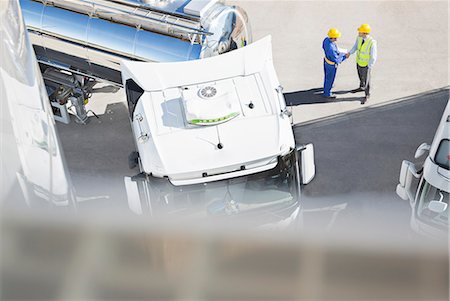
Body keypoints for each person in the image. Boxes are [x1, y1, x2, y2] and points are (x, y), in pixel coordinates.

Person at [346, 23, 377, 104]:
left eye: (360, 31)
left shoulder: (371, 42)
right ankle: (361, 87)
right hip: (359, 62)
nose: (358, 33)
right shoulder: (359, 38)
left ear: (365, 33)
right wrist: (350, 53)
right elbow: (355, 46)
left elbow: (373, 57)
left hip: (366, 65)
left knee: (367, 80)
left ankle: (367, 94)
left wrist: (369, 66)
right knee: (360, 76)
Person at [322, 28, 348, 99]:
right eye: (335, 38)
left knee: (327, 77)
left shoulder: (326, 40)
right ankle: (327, 93)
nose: (336, 39)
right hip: (331, 65)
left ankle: (326, 87)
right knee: (330, 78)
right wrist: (345, 56)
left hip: (326, 61)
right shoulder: (331, 49)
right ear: (332, 37)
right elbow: (337, 59)